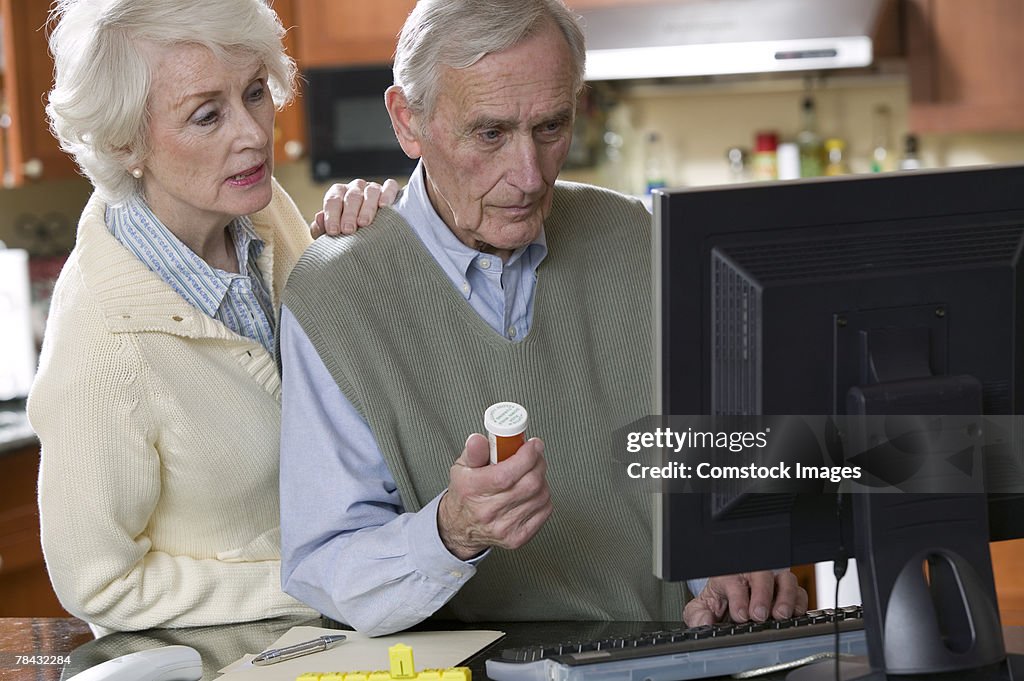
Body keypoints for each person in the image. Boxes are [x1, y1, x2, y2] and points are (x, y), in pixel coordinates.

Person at [279, 0, 808, 637]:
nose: (529, 176)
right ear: (407, 122)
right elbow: (326, 570)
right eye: (491, 133)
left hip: (673, 652)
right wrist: (451, 531)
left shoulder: (636, 238)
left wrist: (726, 561)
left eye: (551, 127)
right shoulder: (338, 293)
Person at [29, 0, 396, 633]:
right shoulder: (104, 337)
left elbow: (335, 417)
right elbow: (99, 584)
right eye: (207, 115)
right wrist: (319, 577)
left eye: (255, 93)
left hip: (340, 640)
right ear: (126, 142)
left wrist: (365, 262)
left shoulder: (262, 212)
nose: (254, 132)